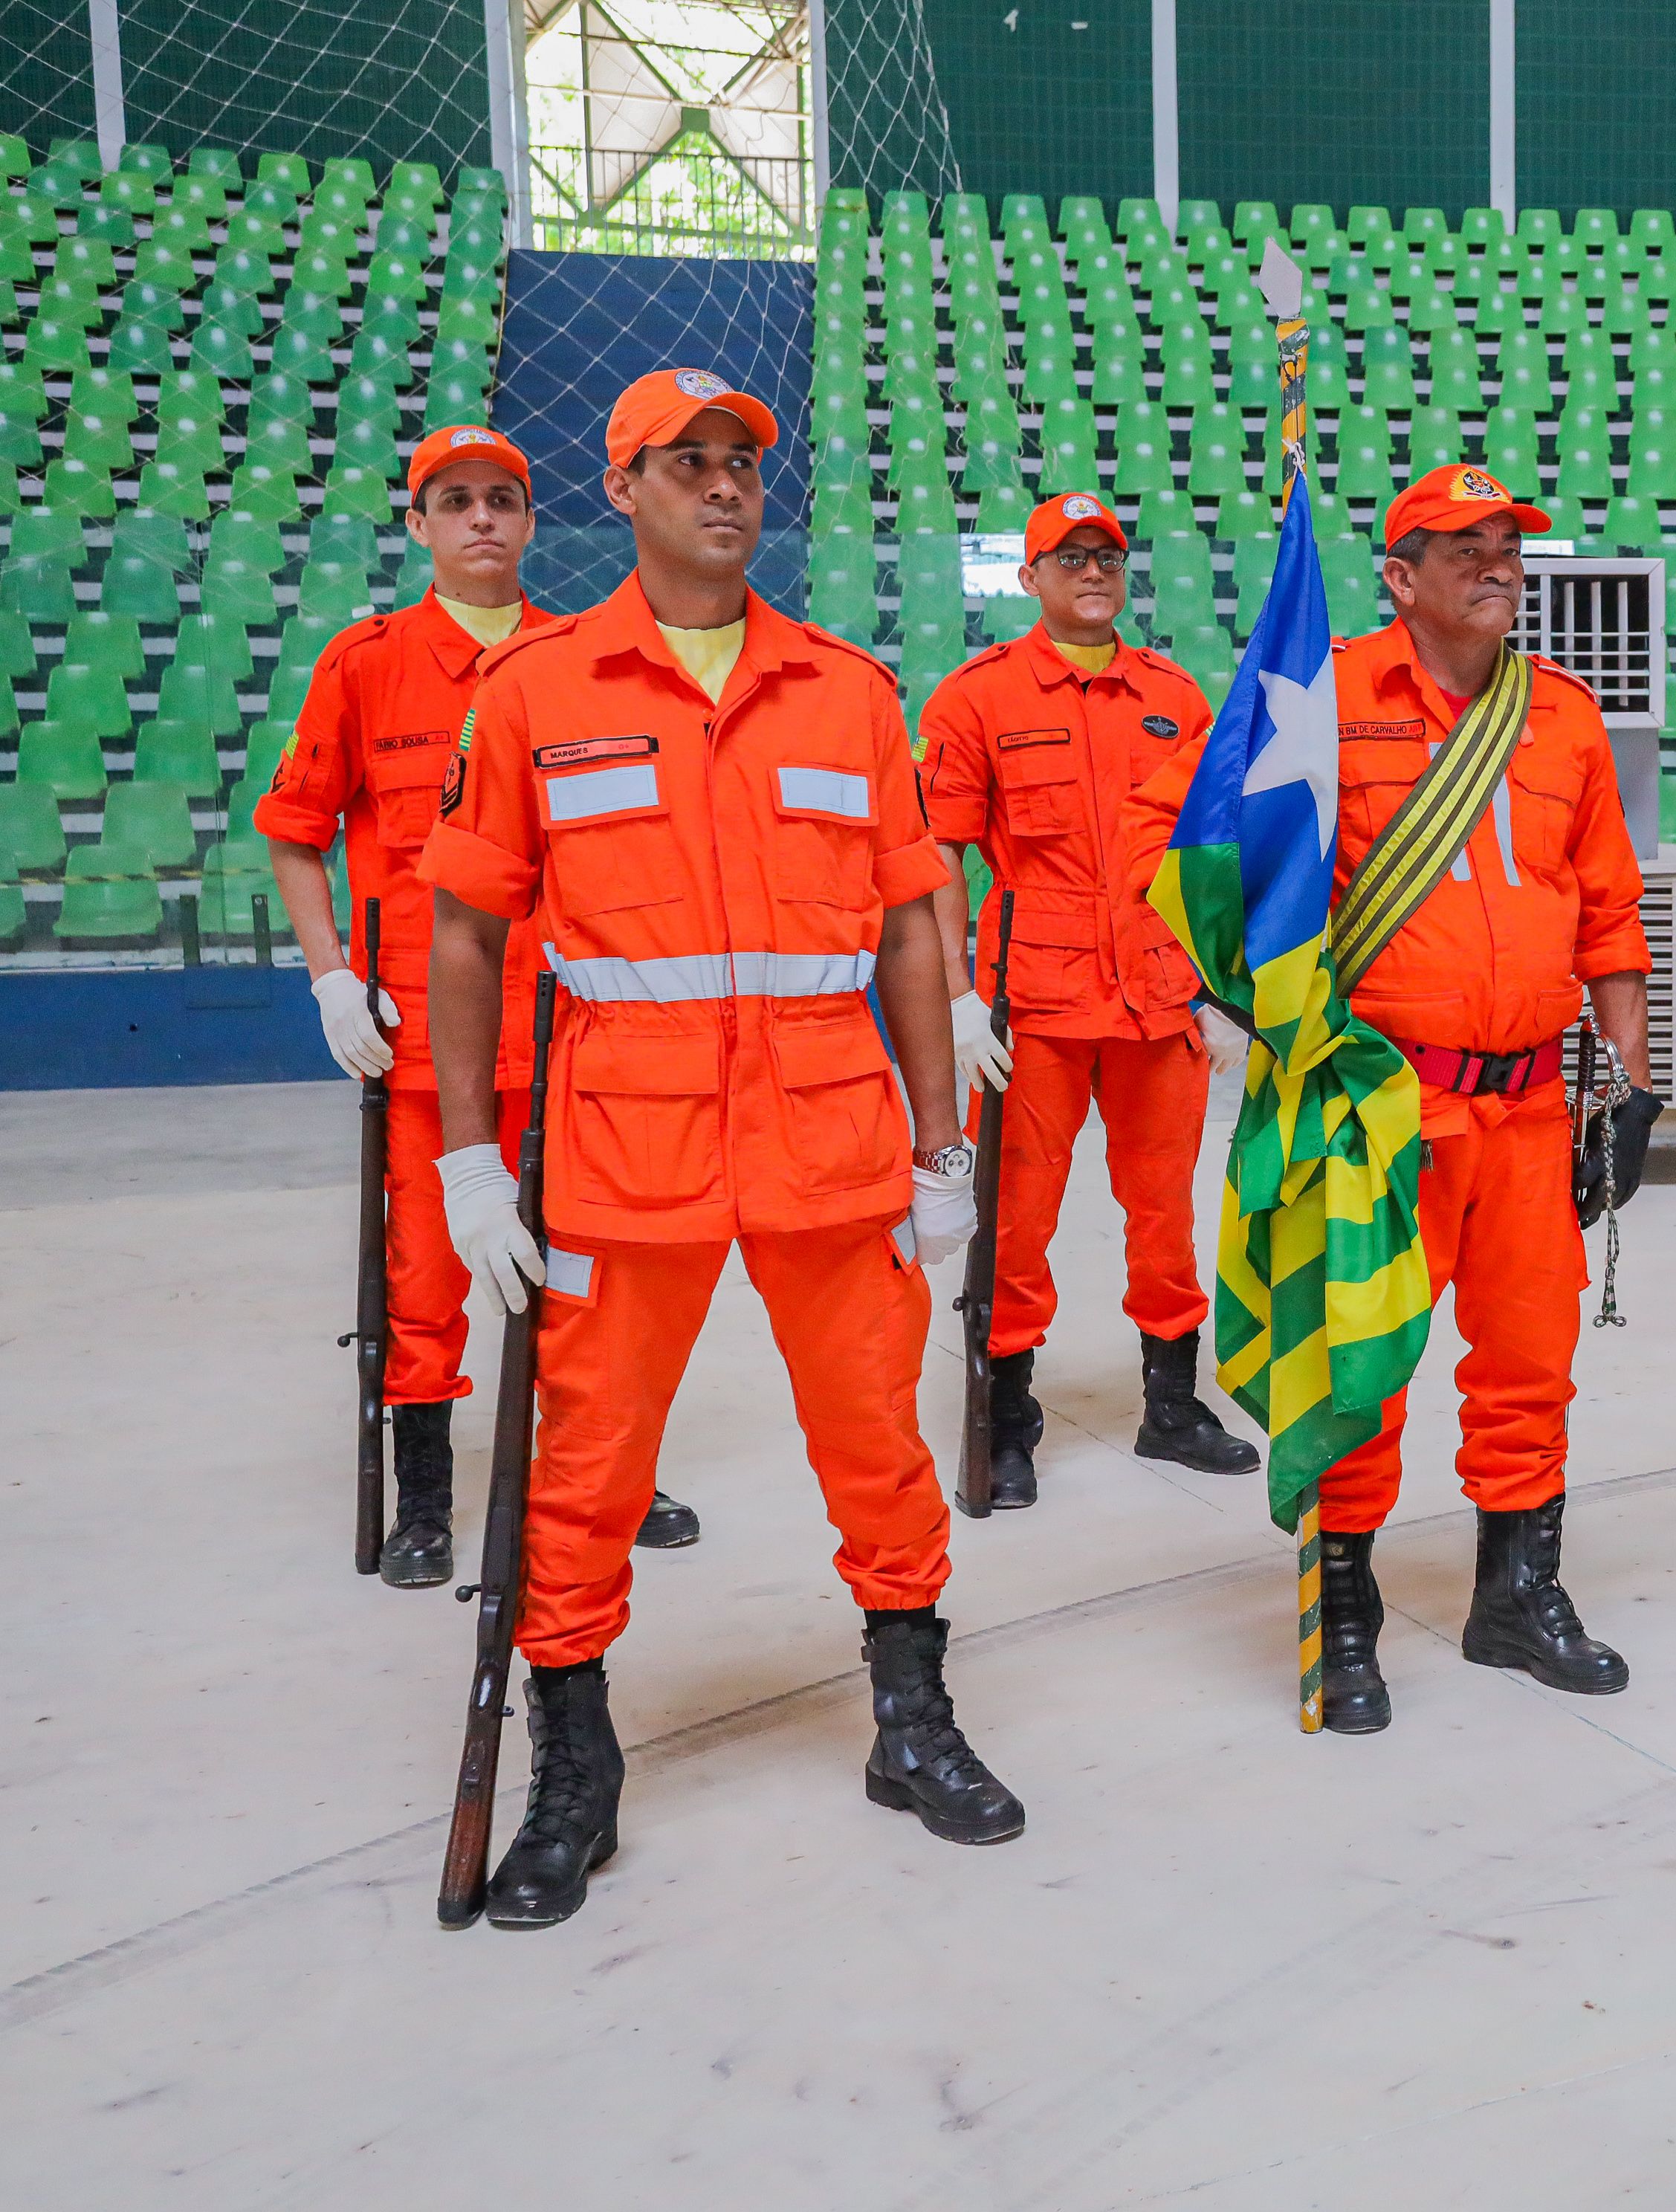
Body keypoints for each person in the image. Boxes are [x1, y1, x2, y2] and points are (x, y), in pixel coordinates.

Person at [420, 369, 1020, 1929]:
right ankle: (576, 1765)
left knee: (879, 1453)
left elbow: (909, 927)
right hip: (628, 1157)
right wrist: (469, 1160)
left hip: (832, 1141)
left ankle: (911, 1719)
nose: (724, 484)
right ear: (620, 490)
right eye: (684, 462)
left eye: (742, 458)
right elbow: (469, 937)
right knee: (589, 1472)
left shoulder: (847, 691)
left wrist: (943, 1143)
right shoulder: (538, 694)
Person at [1129, 465, 1657, 1735]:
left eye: (1506, 545)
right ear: (1397, 575)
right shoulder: (1319, 701)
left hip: (1532, 1106)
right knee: (1354, 1359)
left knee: (1531, 1364)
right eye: (1459, 547)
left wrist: (1630, 1086)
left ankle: (1515, 1595)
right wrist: (1227, 1010)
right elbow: (1207, 861)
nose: (1493, 566)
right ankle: (1345, 1609)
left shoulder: (1567, 720)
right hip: (1375, 1110)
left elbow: (1608, 913)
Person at [255, 425, 697, 1583]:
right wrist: (329, 974)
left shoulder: (590, 659)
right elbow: (297, 836)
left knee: (598, 1270)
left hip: (578, 1035)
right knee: (427, 1282)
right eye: (455, 502)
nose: (483, 520)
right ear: (419, 526)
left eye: (504, 499)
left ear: (533, 518)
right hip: (428, 1045)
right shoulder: (365, 664)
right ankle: (427, 1500)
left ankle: (603, 1474)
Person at [921, 489, 1259, 1504]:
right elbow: (939, 853)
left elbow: (1213, 849)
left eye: (1106, 555)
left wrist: (1222, 984)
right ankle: (1008, 1418)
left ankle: (1171, 1404)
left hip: (1158, 998)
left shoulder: (1174, 696)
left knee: (1164, 1215)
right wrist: (954, 997)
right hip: (1035, 1007)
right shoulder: (975, 699)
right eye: (1068, 558)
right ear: (1029, 579)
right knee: (1016, 1221)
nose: (1093, 572)